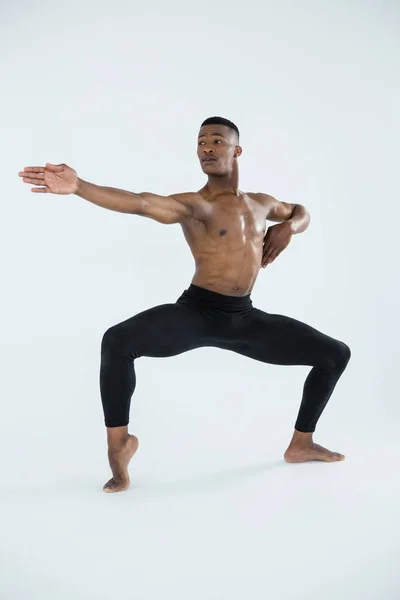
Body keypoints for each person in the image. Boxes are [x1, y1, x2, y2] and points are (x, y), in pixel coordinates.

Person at [18, 116, 351, 493]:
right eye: (201, 142)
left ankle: (301, 444)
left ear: (236, 150)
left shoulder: (262, 204)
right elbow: (141, 203)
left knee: (335, 354)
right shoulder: (196, 205)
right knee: (117, 341)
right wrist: (79, 186)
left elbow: (301, 211)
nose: (207, 148)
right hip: (198, 313)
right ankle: (119, 445)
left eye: (216, 141)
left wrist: (289, 227)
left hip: (243, 319)